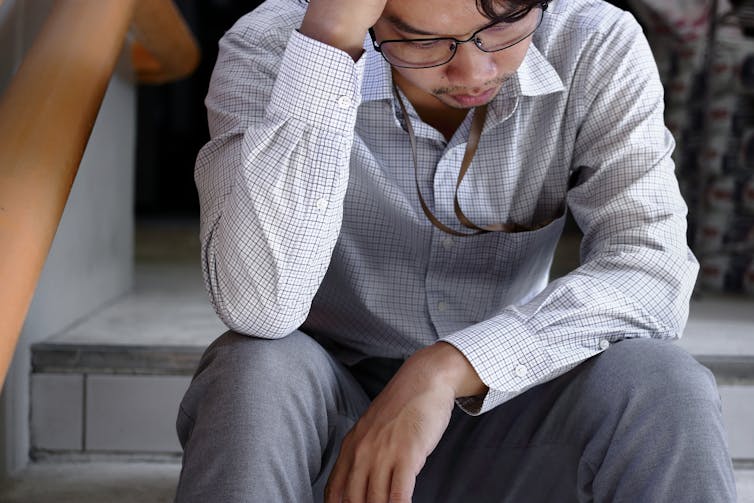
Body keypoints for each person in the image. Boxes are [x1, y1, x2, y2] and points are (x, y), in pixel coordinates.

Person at [174, 0, 737, 501]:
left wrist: (447, 369)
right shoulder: (274, 44)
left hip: (512, 415)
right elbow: (258, 307)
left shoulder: (592, 42)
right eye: (421, 40)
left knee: (666, 380)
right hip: (325, 425)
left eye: (506, 24)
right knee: (253, 367)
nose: (473, 71)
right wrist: (329, 41)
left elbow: (651, 268)